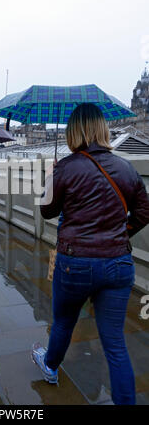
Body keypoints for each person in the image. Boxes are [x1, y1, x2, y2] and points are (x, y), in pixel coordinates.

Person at [31, 103, 149, 405]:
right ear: (102, 129)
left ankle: (51, 367)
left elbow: (47, 212)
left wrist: (50, 177)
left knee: (63, 322)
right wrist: (120, 234)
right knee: (115, 344)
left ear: (74, 132)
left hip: (75, 263)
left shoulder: (67, 167)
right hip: (118, 265)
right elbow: (144, 211)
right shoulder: (126, 168)